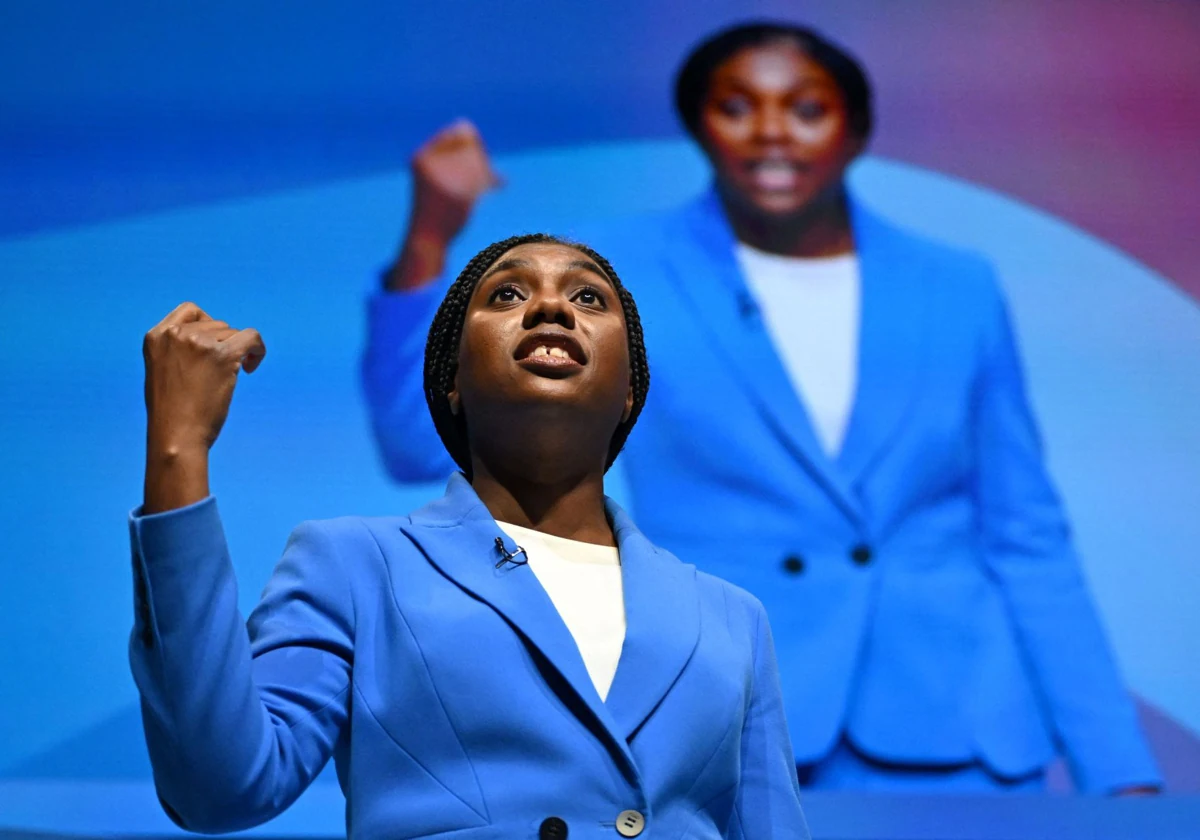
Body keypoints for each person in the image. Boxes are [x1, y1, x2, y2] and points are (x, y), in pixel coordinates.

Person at [361, 23, 1161, 794]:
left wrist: (1116, 768)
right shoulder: (613, 274)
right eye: (736, 106)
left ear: (856, 130)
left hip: (965, 739)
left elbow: (1028, 536)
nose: (771, 132)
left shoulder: (958, 286)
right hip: (725, 720)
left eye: (807, 108)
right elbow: (419, 440)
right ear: (698, 127)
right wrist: (432, 234)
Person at [129, 235, 810, 838]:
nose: (551, 309)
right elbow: (219, 789)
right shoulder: (357, 565)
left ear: (630, 390)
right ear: (451, 380)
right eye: (509, 293)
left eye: (589, 298)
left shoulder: (730, 618)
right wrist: (178, 449)